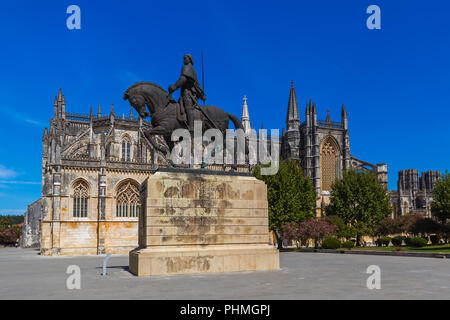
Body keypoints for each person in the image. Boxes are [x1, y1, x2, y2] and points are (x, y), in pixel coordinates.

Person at [168, 54, 206, 132]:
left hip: (188, 93)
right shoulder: (193, 70)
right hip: (188, 93)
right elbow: (197, 84)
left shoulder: (187, 67)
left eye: (185, 58)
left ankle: (191, 126)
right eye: (183, 58)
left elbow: (183, 79)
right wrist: (202, 95)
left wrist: (174, 87)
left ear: (190, 59)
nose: (184, 59)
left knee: (188, 107)